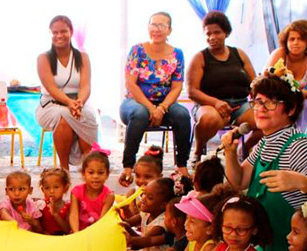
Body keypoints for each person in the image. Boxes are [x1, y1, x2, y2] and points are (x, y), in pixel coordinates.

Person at [222, 73, 307, 251]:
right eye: (258, 102)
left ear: (291, 108)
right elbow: (238, 181)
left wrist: (304, 183)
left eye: (270, 103)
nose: (260, 109)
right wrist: (230, 154)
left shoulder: (299, 145)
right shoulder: (264, 144)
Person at [119, 12, 192, 184]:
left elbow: (177, 87)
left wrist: (161, 108)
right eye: (153, 25)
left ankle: (181, 165)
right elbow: (131, 84)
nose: (156, 29)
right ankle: (128, 166)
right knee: (140, 114)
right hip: (135, 101)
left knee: (182, 115)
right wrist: (152, 108)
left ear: (169, 30)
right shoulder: (137, 50)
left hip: (164, 103)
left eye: (161, 26)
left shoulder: (177, 54)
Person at [187, 11, 259, 162]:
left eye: (217, 32)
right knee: (208, 119)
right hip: (210, 105)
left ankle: (242, 149)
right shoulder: (200, 57)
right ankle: (198, 152)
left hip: (241, 106)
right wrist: (216, 103)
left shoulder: (239, 54)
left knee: (266, 120)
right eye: (208, 34)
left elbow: (255, 83)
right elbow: (192, 91)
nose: (212, 37)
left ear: (226, 33)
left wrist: (259, 98)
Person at [36, 15, 97, 170]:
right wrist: (70, 104)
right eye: (55, 32)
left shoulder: (83, 57)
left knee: (87, 115)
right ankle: (64, 170)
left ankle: (88, 168)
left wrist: (79, 103)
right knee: (63, 117)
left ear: (71, 32)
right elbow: (51, 88)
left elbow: (85, 86)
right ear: (50, 34)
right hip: (51, 104)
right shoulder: (43, 58)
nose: (59, 36)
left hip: (79, 102)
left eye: (63, 31)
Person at [137, 189, 229, 251]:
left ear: (210, 228)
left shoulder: (209, 247)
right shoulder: (192, 242)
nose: (186, 224)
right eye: (187, 219)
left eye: (192, 222)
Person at [178, 195, 272, 251]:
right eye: (227, 228)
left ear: (254, 230)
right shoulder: (220, 248)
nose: (233, 235)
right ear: (220, 225)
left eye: (241, 229)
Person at [265, 20, 307, 129]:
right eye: (292, 39)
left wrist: (303, 94)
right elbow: (265, 82)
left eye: (300, 39)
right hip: (275, 98)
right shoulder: (279, 53)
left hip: (299, 99)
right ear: (286, 41)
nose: (295, 43)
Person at [69, 151, 115, 232]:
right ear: (83, 174)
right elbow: (73, 215)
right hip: (78, 232)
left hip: (98, 232)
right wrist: (76, 233)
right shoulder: (76, 192)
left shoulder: (109, 196)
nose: (95, 176)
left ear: (107, 175)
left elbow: (102, 221)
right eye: (91, 172)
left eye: (100, 173)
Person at [38, 167, 71, 235]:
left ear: (65, 188)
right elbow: (38, 228)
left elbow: (68, 230)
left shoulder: (68, 207)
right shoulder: (41, 206)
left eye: (56, 187)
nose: (51, 191)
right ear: (43, 190)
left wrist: (55, 214)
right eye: (47, 188)